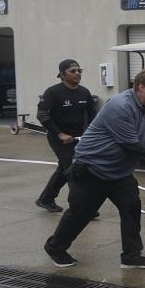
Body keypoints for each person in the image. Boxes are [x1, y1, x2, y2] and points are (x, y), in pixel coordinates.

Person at [44, 68, 145, 269]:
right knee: (80, 214)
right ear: (141, 87)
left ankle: (131, 256)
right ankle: (55, 247)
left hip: (120, 171)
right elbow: (130, 143)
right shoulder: (120, 106)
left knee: (131, 208)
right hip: (92, 168)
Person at [34, 59, 97, 212]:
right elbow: (42, 115)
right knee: (74, 169)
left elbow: (93, 115)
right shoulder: (52, 92)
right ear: (62, 75)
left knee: (64, 169)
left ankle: (46, 199)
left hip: (79, 138)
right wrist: (60, 134)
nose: (77, 73)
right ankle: (81, 208)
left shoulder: (84, 92)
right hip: (59, 138)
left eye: (79, 70)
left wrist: (93, 133)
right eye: (73, 71)